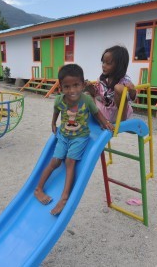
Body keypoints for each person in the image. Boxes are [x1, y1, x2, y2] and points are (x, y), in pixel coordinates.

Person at [34, 64, 115, 215]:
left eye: (76, 85)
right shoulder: (59, 100)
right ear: (61, 87)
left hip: (80, 137)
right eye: (67, 87)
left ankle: (64, 198)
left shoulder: (86, 100)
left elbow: (97, 114)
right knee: (55, 162)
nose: (72, 90)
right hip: (63, 136)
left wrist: (106, 123)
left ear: (83, 84)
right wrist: (53, 123)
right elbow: (56, 111)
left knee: (69, 162)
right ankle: (38, 189)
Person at [86, 45, 137, 123]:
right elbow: (97, 94)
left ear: (119, 66)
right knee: (86, 94)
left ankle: (120, 121)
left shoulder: (125, 80)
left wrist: (132, 91)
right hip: (106, 110)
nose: (103, 65)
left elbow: (131, 98)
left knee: (118, 88)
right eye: (103, 62)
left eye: (108, 63)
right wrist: (90, 87)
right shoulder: (102, 79)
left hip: (118, 112)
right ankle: (93, 120)